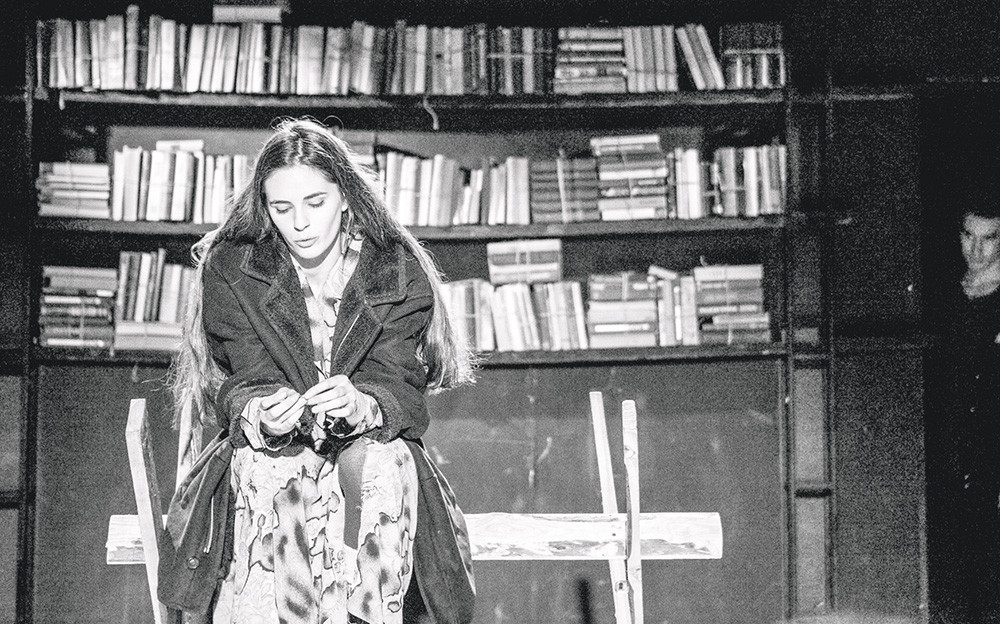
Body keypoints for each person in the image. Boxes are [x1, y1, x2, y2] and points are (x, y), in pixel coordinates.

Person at [168, 117, 477, 624]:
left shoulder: (393, 268)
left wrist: (365, 404)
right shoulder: (233, 266)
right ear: (264, 207)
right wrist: (261, 412)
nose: (300, 223)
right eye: (282, 208)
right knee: (273, 466)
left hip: (367, 452)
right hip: (273, 454)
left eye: (316, 203)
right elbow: (239, 375)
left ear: (345, 197)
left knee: (382, 462)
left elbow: (400, 380)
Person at [924, 204, 1000, 624]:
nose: (977, 249)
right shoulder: (946, 294)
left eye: (989, 238)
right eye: (969, 236)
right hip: (954, 450)